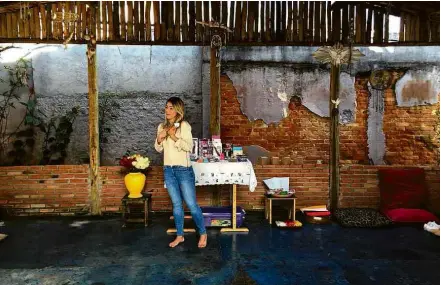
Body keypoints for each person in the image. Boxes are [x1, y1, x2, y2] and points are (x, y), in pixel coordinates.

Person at [154, 97, 207, 248]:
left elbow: (189, 146)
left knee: (191, 204)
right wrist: (159, 139)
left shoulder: (184, 126)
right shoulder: (161, 127)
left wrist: (173, 137)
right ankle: (180, 236)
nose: (167, 110)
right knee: (176, 205)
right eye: (166, 107)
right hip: (168, 170)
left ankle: (203, 233)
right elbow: (158, 149)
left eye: (171, 108)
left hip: (183, 170)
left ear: (178, 110)